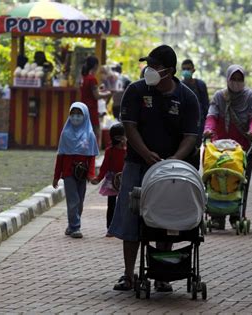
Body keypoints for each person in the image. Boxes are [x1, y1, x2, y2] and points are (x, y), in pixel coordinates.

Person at [108, 45, 200, 293]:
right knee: (131, 218)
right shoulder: (136, 91)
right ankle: (129, 274)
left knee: (165, 217)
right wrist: (146, 154)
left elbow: (190, 136)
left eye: (154, 66)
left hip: (173, 171)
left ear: (169, 71)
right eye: (147, 64)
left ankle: (162, 275)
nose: (148, 69)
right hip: (137, 165)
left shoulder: (187, 98)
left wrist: (172, 162)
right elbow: (129, 126)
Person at [203, 64, 252, 230]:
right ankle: (216, 215)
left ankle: (237, 215)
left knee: (241, 180)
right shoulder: (220, 96)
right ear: (227, 79)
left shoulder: (251, 96)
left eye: (239, 79)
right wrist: (208, 129)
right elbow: (212, 115)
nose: (236, 82)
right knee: (216, 178)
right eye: (233, 79)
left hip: (242, 147)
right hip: (220, 146)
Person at [52, 102, 99, 239]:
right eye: (73, 114)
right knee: (73, 200)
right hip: (68, 173)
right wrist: (56, 176)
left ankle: (71, 224)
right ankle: (75, 227)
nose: (76, 117)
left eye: (79, 114)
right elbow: (61, 156)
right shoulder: (65, 134)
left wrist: (91, 175)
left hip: (82, 174)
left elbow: (91, 157)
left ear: (85, 116)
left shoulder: (90, 135)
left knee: (80, 202)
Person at [90, 123, 126, 236]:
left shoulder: (129, 150)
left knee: (124, 204)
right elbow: (105, 166)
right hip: (112, 180)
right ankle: (110, 228)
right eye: (120, 136)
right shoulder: (109, 151)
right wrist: (98, 178)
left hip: (125, 179)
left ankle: (122, 227)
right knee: (111, 204)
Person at [181, 59, 210, 169]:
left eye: (188, 69)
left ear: (193, 70)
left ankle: (194, 172)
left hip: (199, 123)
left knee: (195, 150)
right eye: (184, 69)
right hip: (184, 124)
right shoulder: (180, 85)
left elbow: (205, 105)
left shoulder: (200, 85)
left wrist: (205, 125)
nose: (186, 71)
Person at [80, 56, 112, 146]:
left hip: (84, 107)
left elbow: (89, 93)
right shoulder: (92, 79)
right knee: (95, 130)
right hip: (91, 107)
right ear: (95, 65)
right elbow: (96, 96)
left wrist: (99, 90)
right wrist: (108, 94)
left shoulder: (84, 78)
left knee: (86, 130)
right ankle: (93, 150)